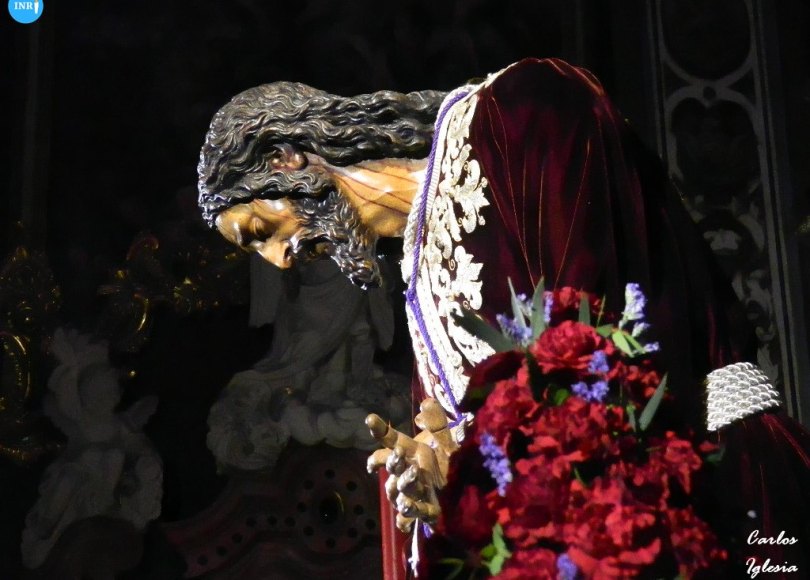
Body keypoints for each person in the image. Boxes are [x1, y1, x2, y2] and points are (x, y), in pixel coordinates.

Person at [198, 58, 810, 578]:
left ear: (286, 158)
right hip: (586, 535)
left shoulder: (523, 109)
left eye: (260, 230)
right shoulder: (416, 282)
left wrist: (477, 458)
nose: (279, 260)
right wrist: (443, 475)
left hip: (715, 491)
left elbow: (591, 343)